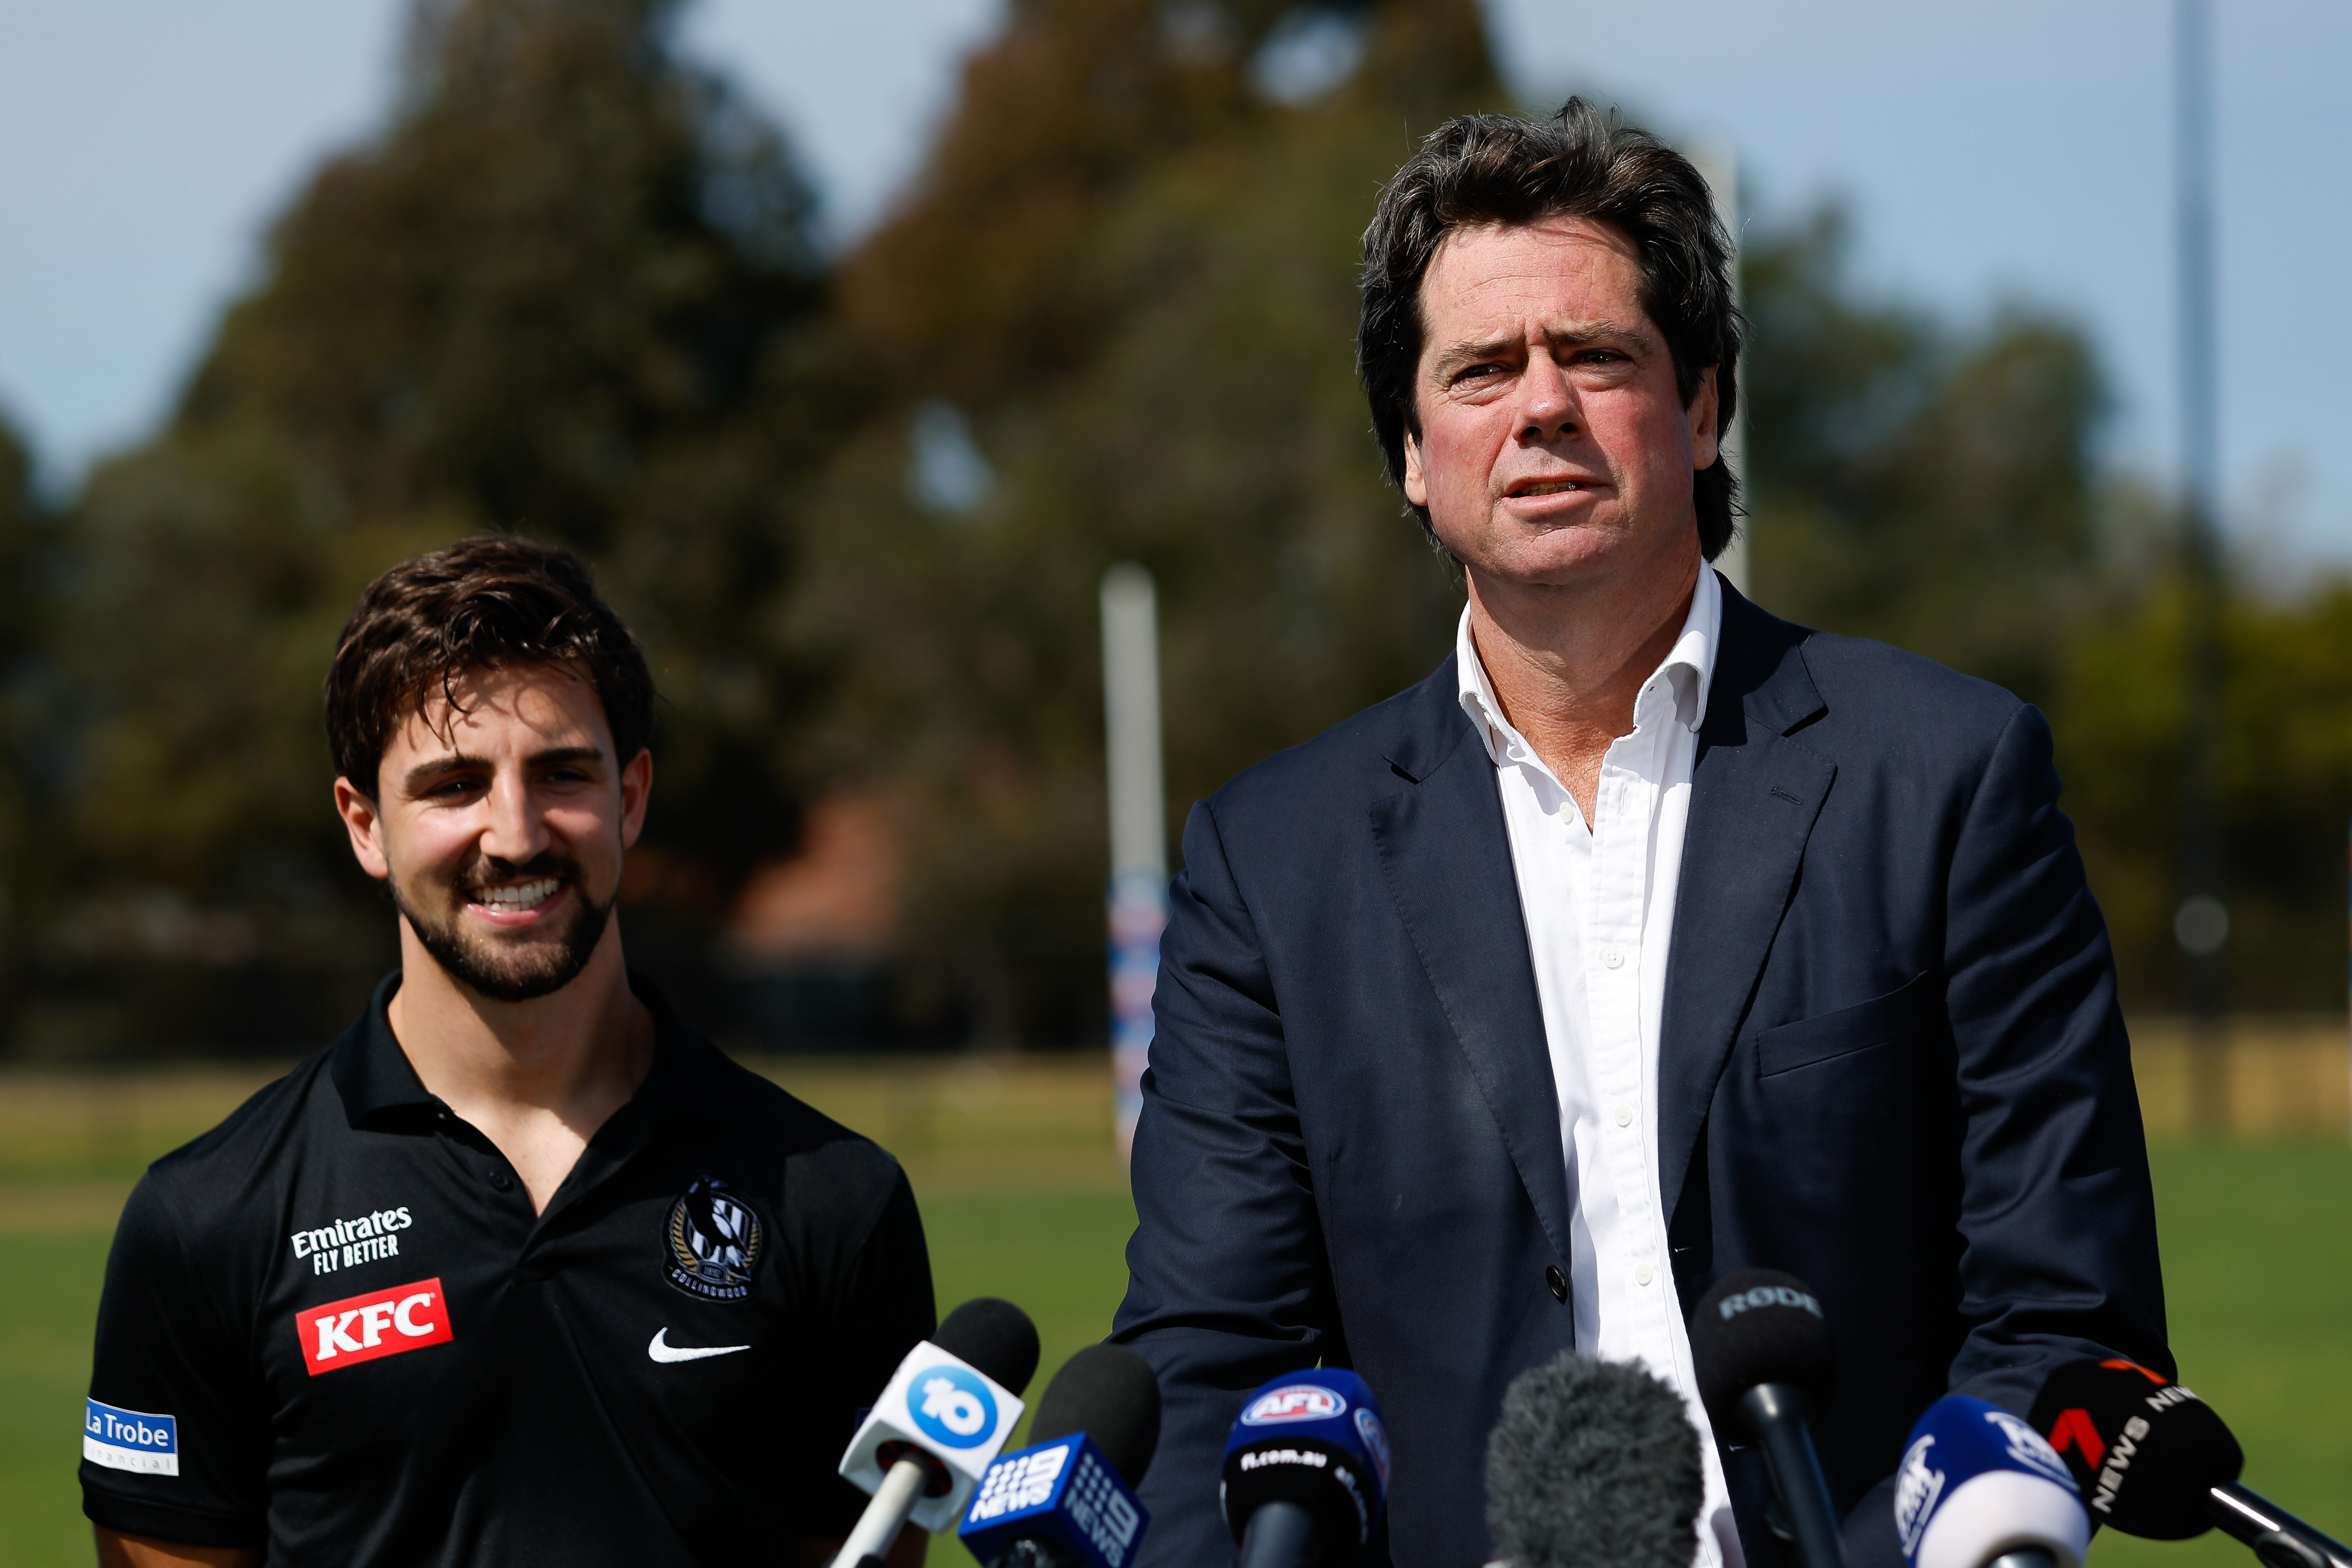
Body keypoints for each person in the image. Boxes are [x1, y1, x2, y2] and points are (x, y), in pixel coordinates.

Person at [1112, 99, 2168, 1568]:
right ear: (1412, 452)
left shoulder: (1943, 775)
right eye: (1478, 369)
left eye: (1595, 355)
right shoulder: (1269, 859)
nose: (1538, 405)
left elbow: (2060, 1319)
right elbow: (1203, 1363)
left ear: (1704, 407)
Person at [79, 537, 934, 1568]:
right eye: (453, 785)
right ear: (365, 825)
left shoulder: (835, 1204)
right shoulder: (208, 1221)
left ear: (630, 796)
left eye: (562, 773)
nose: (516, 833)